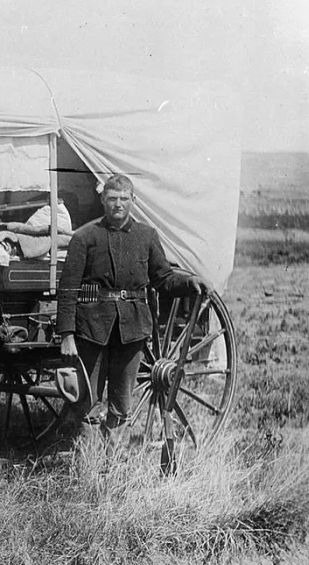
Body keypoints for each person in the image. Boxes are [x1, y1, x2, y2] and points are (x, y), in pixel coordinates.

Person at [56, 174, 211, 436]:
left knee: (121, 404)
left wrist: (189, 281)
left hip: (132, 330)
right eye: (113, 198)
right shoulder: (85, 237)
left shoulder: (146, 235)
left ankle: (114, 469)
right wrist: (67, 335)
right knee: (86, 402)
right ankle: (89, 470)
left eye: (124, 199)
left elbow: (162, 278)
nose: (118, 204)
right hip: (91, 330)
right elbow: (68, 289)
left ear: (133, 201)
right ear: (103, 200)